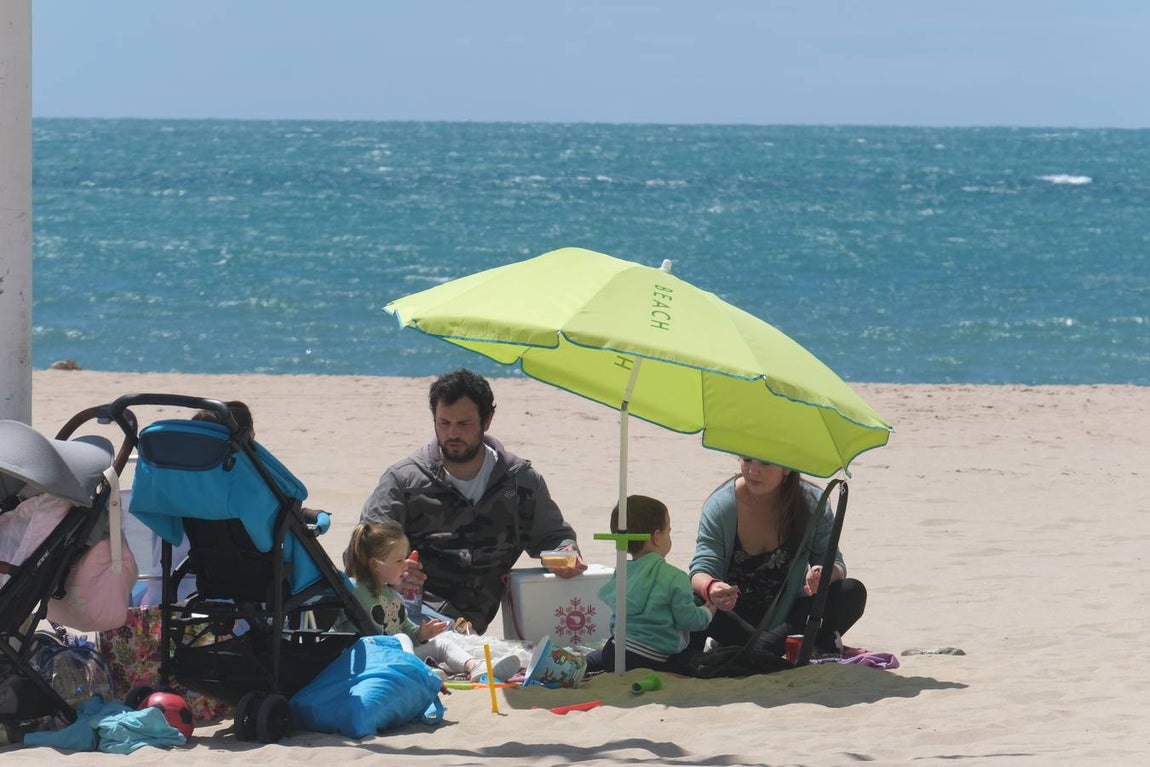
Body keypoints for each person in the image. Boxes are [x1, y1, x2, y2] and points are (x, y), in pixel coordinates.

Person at [359, 368, 586, 634]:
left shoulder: (519, 481)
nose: (452, 434)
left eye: (463, 424)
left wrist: (566, 552)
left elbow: (553, 536)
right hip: (409, 624)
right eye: (444, 423)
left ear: (487, 420)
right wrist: (392, 572)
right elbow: (361, 552)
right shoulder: (404, 481)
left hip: (472, 633)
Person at [688, 457, 866, 656]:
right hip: (733, 620)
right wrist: (712, 587)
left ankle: (760, 651)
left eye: (765, 463)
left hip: (787, 622)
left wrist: (823, 574)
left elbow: (834, 562)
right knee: (689, 595)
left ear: (787, 468)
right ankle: (767, 651)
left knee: (851, 591)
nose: (753, 471)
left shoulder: (812, 503)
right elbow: (701, 567)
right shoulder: (722, 506)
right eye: (747, 460)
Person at [341, 519, 522, 682]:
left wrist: (421, 634)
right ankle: (421, 672)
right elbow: (335, 626)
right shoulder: (353, 589)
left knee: (442, 642)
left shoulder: (392, 596)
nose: (405, 564)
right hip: (373, 659)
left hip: (400, 657)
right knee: (401, 638)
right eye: (398, 560)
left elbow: (407, 630)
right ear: (374, 564)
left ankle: (476, 667)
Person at [586, 495, 715, 674]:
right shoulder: (674, 577)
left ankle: (582, 664)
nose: (669, 536)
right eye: (668, 531)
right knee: (695, 661)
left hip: (615, 652)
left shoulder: (622, 572)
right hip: (653, 658)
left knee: (597, 658)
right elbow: (688, 620)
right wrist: (707, 612)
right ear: (657, 536)